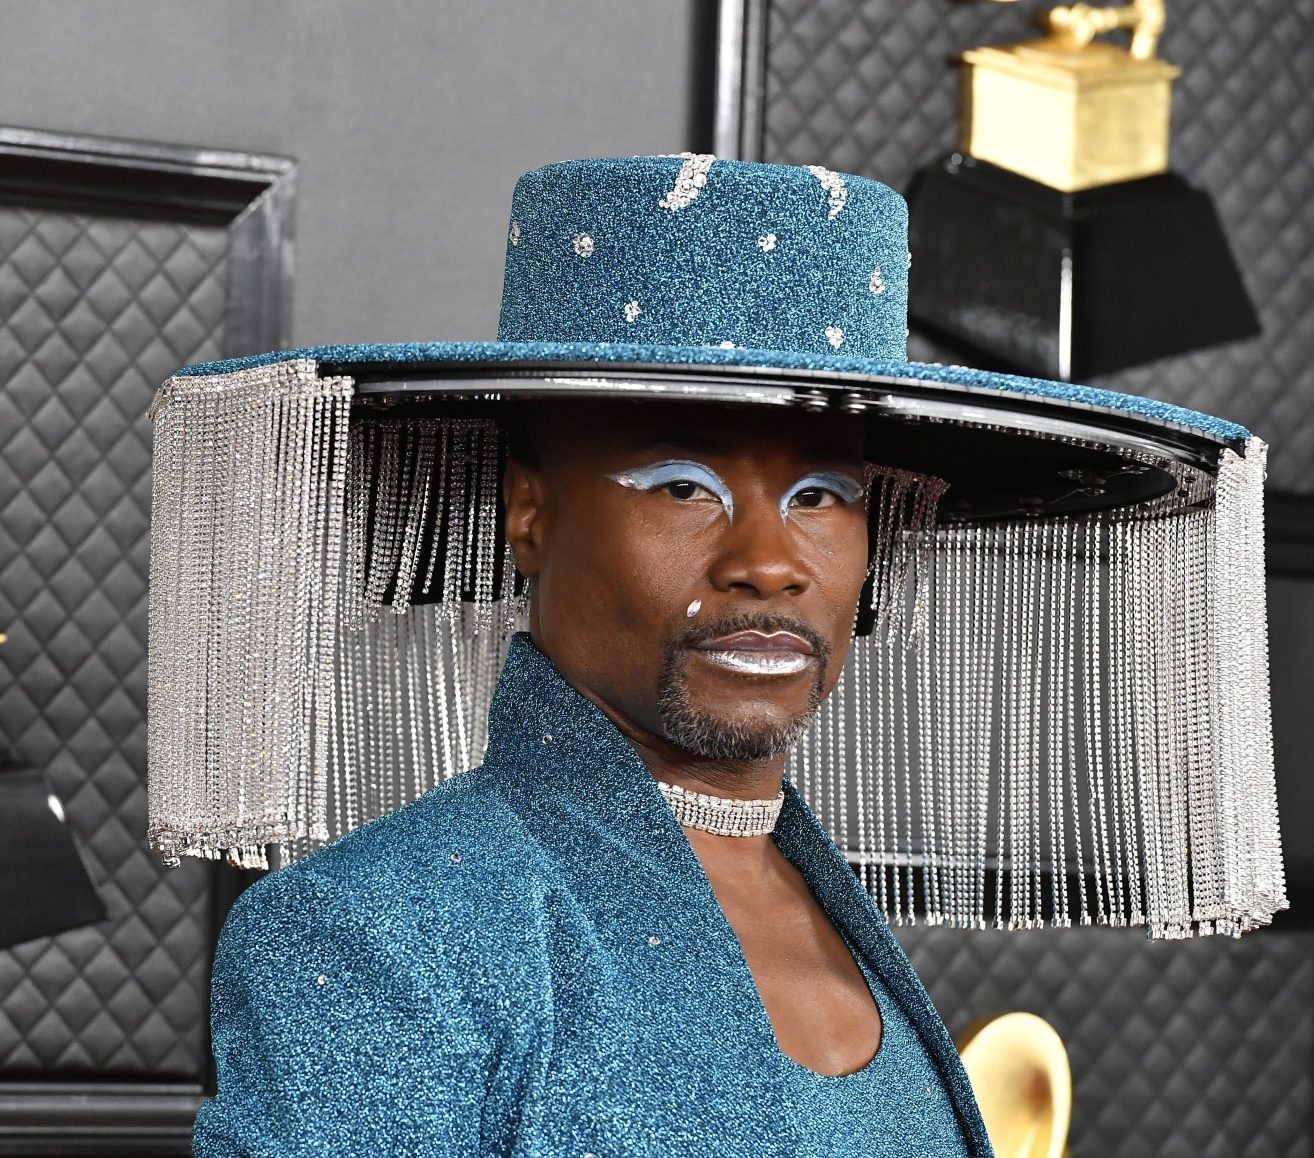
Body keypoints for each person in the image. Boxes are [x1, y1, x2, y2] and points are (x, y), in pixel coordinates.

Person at [191, 396, 993, 1156]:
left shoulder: (832, 912)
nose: (769, 564)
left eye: (819, 496)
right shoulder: (377, 928)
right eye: (684, 486)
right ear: (529, 513)